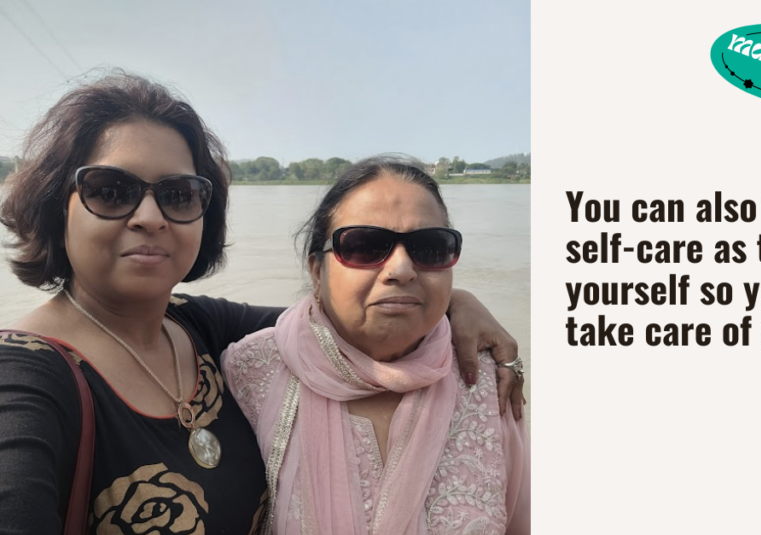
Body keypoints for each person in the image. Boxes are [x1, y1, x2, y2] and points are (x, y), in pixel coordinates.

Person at [0, 73, 524, 534]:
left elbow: (342, 321)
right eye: (112, 190)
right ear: (55, 205)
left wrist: (449, 296)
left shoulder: (196, 327)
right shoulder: (25, 381)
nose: (149, 216)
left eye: (179, 194)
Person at [221, 155, 529, 535]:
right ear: (317, 271)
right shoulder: (252, 370)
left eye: (430, 247)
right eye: (365, 246)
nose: (401, 269)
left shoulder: (487, 379)